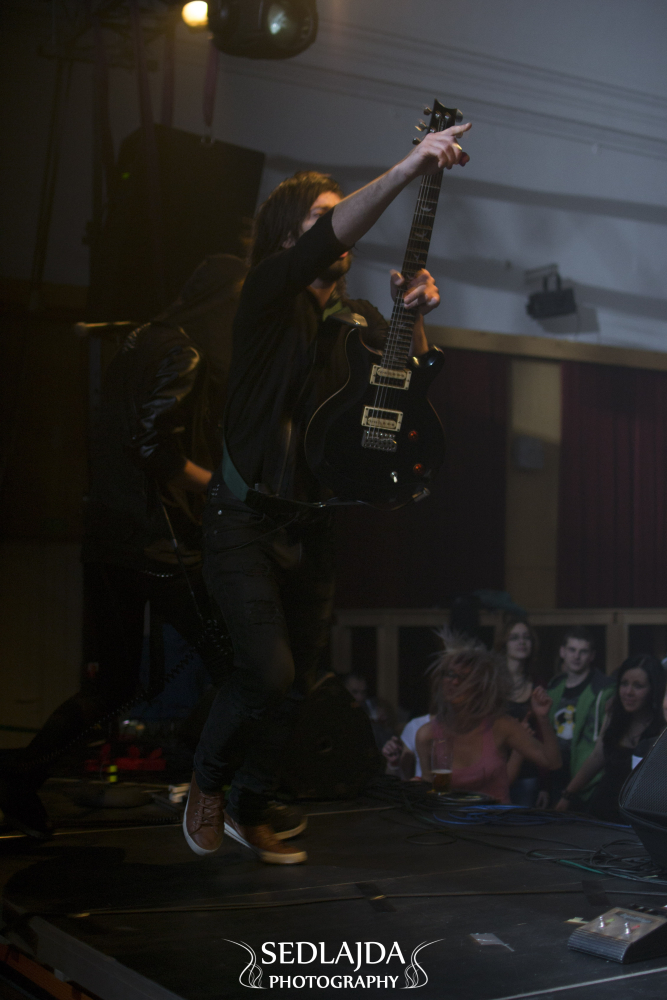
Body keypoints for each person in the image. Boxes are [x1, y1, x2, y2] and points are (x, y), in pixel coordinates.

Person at [182, 120, 473, 863]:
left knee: (299, 683)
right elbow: (323, 241)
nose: (338, 228)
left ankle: (252, 805)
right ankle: (207, 785)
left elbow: (402, 394)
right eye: (322, 217)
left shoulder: (358, 321)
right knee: (266, 670)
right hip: (242, 519)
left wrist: (414, 323)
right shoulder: (264, 294)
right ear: (290, 235)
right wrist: (408, 166)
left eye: (336, 216)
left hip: (311, 523)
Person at [0, 255, 245, 839]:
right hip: (157, 544)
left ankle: (20, 780)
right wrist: (219, 488)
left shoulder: (140, 341)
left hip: (108, 538)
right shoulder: (184, 352)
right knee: (238, 664)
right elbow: (152, 446)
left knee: (111, 684)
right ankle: (213, 786)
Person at [415, 636, 561, 802]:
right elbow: (431, 793)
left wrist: (542, 717)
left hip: (495, 817)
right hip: (451, 818)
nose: (454, 682)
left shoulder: (500, 725)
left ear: (480, 686)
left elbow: (552, 762)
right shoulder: (427, 735)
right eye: (450, 674)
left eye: (464, 677)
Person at [555, 655, 666, 822]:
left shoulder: (661, 726)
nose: (628, 692)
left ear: (654, 688)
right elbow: (597, 756)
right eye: (624, 684)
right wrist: (568, 795)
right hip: (604, 805)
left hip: (640, 815)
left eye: (638, 686)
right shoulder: (614, 713)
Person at [547, 627, 614, 806]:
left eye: (583, 651)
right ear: (562, 652)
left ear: (592, 656)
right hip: (556, 776)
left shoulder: (604, 690)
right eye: (572, 650)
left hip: (589, 782)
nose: (576, 656)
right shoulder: (553, 688)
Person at [495, 617, 548, 807]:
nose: (522, 642)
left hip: (528, 773)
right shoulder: (492, 682)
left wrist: (544, 785)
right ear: (504, 644)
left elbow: (542, 735)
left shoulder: (537, 683)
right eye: (514, 637)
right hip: (496, 771)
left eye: (526, 637)